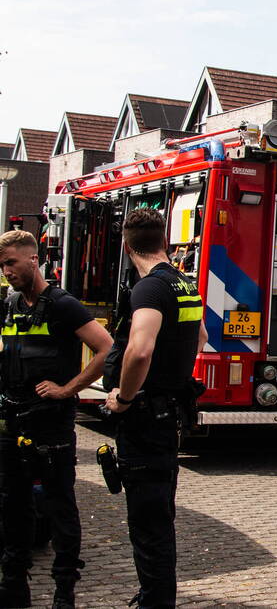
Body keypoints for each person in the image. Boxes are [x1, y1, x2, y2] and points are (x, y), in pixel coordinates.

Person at [0, 229, 113, 609]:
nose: (6, 272)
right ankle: (14, 589)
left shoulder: (63, 304)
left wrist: (69, 389)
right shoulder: (12, 302)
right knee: (13, 506)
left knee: (59, 505)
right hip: (13, 420)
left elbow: (106, 348)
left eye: (11, 263)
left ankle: (64, 593)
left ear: (33, 259)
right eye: (2, 265)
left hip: (51, 424)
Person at [104, 209, 207, 609]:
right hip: (168, 415)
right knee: (159, 515)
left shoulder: (148, 289)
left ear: (128, 246)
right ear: (164, 240)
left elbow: (140, 349)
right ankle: (155, 594)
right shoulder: (186, 285)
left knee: (148, 522)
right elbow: (200, 336)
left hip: (145, 418)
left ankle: (154, 601)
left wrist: (124, 398)